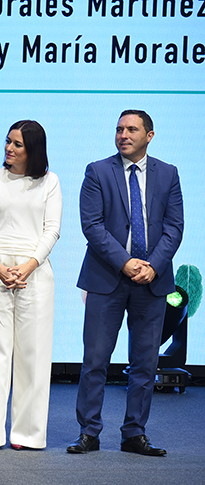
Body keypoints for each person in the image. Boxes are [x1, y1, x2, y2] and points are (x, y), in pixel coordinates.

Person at [68, 110, 183, 457]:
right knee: (95, 361)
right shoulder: (97, 171)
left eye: (132, 129)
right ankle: (89, 431)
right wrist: (126, 261)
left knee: (145, 364)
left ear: (149, 135)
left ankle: (134, 433)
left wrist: (154, 265)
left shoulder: (168, 174)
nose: (123, 135)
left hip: (153, 281)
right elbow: (92, 225)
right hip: (107, 278)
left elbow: (174, 228)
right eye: (119, 129)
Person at [0, 120, 62, 450]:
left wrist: (26, 267)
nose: (9, 148)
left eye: (17, 144)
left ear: (33, 150)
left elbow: (52, 230)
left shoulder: (50, 182)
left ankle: (27, 434)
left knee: (33, 358)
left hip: (33, 275)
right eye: (8, 141)